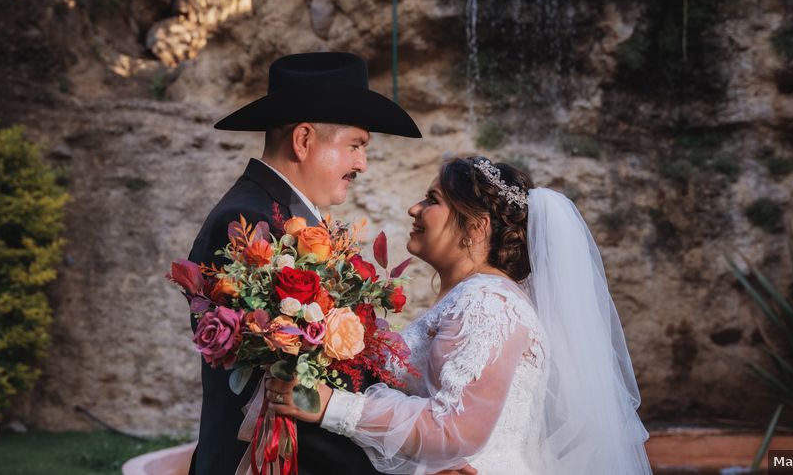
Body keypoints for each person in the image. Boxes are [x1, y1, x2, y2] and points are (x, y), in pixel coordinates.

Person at [263, 156, 652, 474]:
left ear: (475, 227)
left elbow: (454, 428)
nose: (415, 209)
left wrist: (329, 405)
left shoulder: (488, 303)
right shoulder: (475, 297)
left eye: (433, 200)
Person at [186, 51, 421, 475]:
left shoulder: (279, 216)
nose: (362, 164)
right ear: (304, 140)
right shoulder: (248, 224)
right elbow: (288, 392)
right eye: (356, 145)